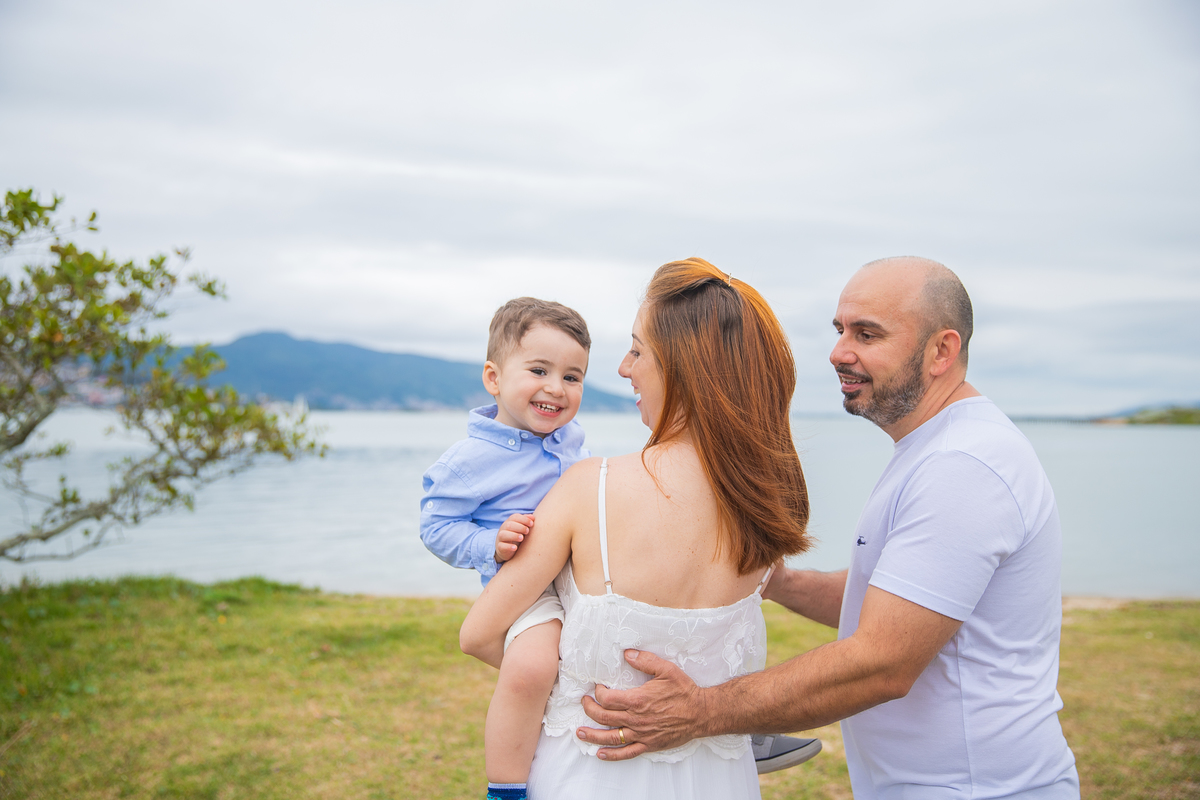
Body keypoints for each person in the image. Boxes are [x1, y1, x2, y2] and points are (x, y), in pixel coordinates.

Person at [577, 256, 1081, 799]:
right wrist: (781, 582)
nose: (839, 352)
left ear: (942, 350)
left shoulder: (963, 465)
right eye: (840, 330)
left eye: (867, 334)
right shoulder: (936, 448)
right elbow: (895, 599)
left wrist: (701, 711)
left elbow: (883, 662)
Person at [459, 259, 814, 799]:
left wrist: (571, 688)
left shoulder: (591, 488)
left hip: (591, 774)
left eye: (637, 350)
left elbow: (479, 634)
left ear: (682, 366)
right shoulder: (766, 504)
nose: (624, 369)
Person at [421, 297, 593, 800]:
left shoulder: (571, 440)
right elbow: (436, 527)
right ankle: (507, 787)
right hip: (526, 591)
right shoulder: (469, 460)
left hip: (584, 576)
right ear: (493, 378)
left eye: (572, 376)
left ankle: (723, 733)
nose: (556, 388)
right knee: (531, 669)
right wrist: (488, 544)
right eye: (539, 370)